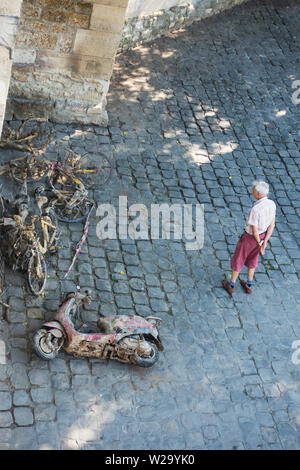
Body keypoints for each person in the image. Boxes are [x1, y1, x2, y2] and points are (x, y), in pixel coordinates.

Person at [222, 181, 276, 295]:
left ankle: (231, 284)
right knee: (253, 258)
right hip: (263, 236)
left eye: (253, 189)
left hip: (251, 238)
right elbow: (272, 225)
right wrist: (264, 241)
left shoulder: (255, 210)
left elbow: (254, 230)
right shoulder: (272, 204)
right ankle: (249, 284)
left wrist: (259, 241)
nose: (252, 190)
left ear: (257, 193)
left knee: (239, 258)